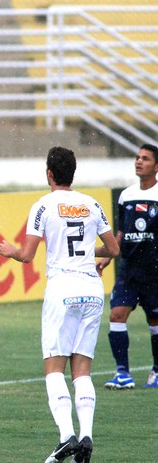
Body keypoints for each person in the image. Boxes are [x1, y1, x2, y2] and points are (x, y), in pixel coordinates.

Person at [0, 147, 119, 463]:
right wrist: (87, 255)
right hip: (92, 291)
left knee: (54, 368)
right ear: (72, 173)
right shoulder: (91, 203)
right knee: (83, 370)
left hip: (62, 289)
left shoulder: (43, 206)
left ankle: (66, 436)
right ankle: (87, 436)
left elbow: (27, 255)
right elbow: (114, 248)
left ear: (49, 173)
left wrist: (10, 251)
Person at [97, 143, 158, 390]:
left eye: (145, 158)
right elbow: (121, 232)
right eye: (136, 157)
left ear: (156, 165)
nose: (138, 161)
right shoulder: (127, 195)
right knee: (117, 315)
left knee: (154, 321)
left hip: (154, 271)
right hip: (129, 269)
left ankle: (156, 370)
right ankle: (123, 373)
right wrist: (109, 257)